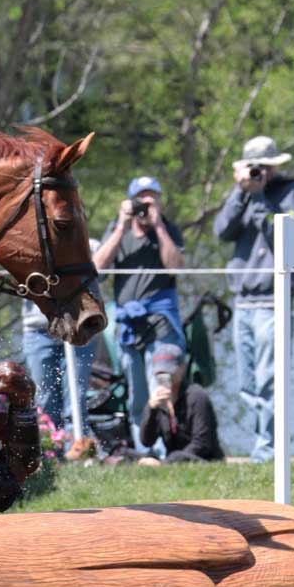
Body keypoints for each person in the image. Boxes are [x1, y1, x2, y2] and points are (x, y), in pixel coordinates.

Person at [213, 135, 294, 462]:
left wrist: (263, 198)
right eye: (254, 169)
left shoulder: (290, 191)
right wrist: (241, 194)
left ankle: (268, 450)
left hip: (273, 299)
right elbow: (222, 231)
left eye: (264, 168)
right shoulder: (241, 193)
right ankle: (261, 444)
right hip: (243, 300)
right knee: (247, 382)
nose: (258, 174)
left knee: (270, 380)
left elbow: (284, 237)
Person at [93, 176, 186, 455]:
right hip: (128, 324)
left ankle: (162, 449)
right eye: (141, 199)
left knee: (161, 387)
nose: (147, 204)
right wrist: (121, 225)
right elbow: (97, 266)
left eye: (152, 198)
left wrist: (158, 226)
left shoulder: (168, 229)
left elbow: (177, 268)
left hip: (160, 321)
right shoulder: (117, 229)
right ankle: (145, 451)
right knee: (137, 394)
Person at [23, 237, 99, 441]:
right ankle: (50, 452)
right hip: (39, 330)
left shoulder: (87, 245)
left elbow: (99, 268)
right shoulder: (29, 247)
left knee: (76, 395)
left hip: (78, 326)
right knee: (44, 398)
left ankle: (77, 450)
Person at [137, 343, 223, 465]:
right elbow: (146, 441)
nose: (165, 377)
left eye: (169, 372)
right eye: (160, 373)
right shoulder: (159, 400)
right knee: (129, 454)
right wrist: (151, 409)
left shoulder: (197, 396)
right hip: (172, 460)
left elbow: (202, 444)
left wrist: (166, 463)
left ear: (182, 368)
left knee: (177, 456)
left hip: (202, 460)